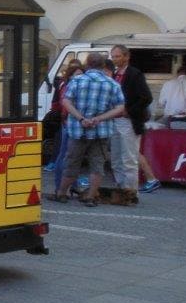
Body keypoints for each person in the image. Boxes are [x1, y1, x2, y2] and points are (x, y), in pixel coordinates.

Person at [54, 52, 124, 207]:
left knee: (71, 163)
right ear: (103, 65)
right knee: (97, 166)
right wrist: (100, 118)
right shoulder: (112, 84)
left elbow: (66, 101)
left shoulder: (77, 81)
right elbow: (120, 107)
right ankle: (90, 197)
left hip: (78, 130)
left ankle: (62, 193)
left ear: (87, 64)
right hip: (101, 131)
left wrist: (81, 118)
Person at [108, 44, 154, 201]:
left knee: (129, 159)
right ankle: (121, 189)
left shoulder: (135, 74)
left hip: (128, 122)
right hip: (115, 120)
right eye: (113, 56)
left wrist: (130, 111)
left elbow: (146, 97)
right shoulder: (114, 75)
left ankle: (131, 192)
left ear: (126, 56)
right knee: (115, 159)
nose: (115, 59)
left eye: (118, 56)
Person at [44, 61, 83, 176]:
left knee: (70, 151)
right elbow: (60, 101)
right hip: (66, 121)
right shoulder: (64, 85)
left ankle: (66, 175)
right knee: (64, 148)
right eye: (77, 73)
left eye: (81, 73)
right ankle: (59, 171)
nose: (79, 77)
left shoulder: (75, 85)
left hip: (74, 122)